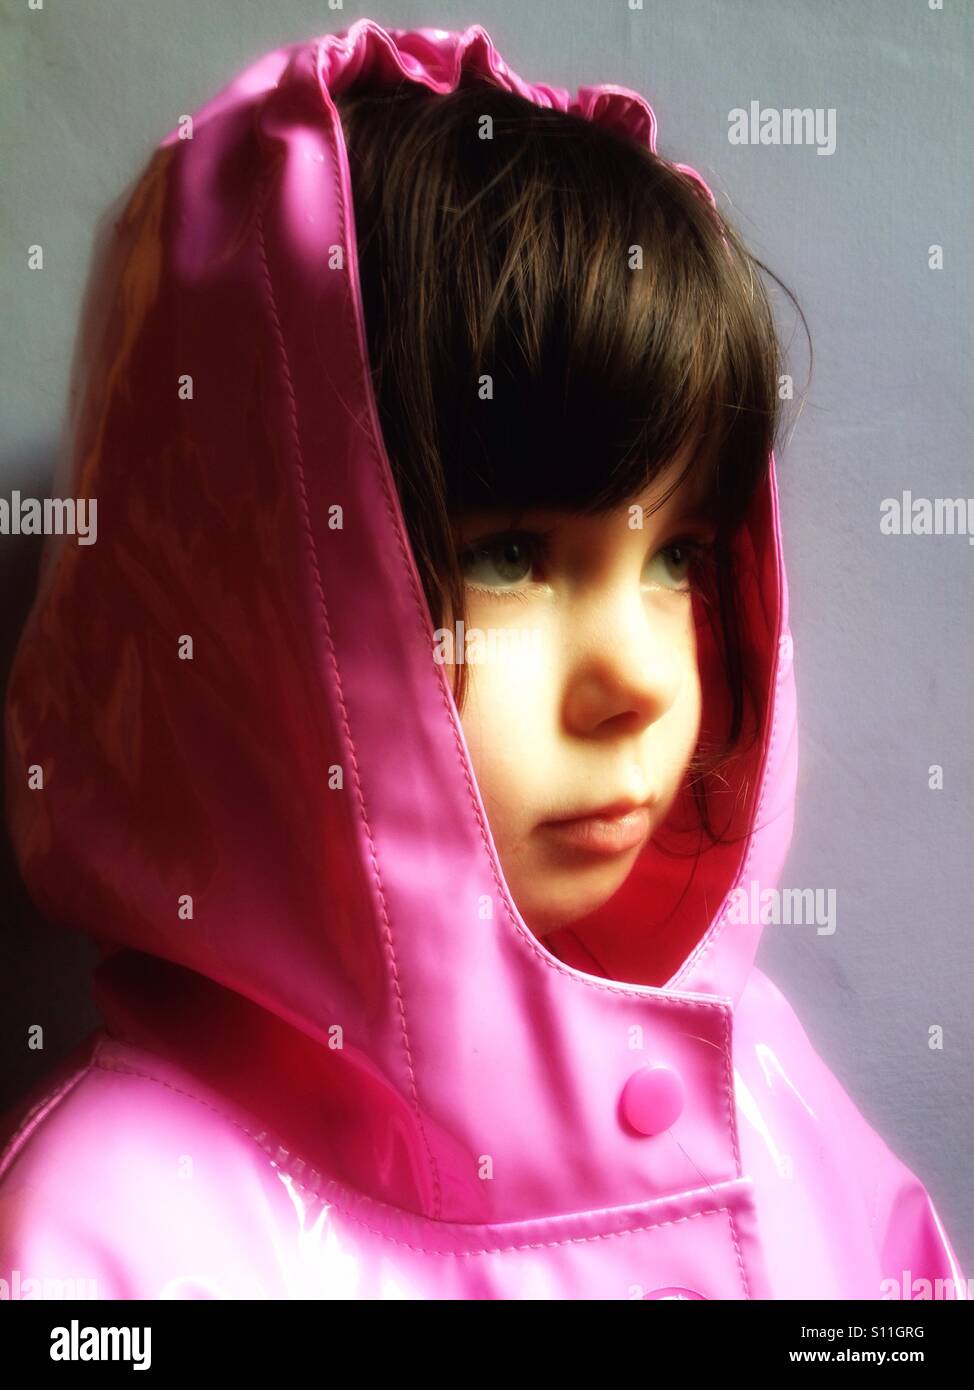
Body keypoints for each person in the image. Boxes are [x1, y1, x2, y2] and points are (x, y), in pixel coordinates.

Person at [0, 18, 965, 1300]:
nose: (639, 683)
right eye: (508, 555)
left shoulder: (758, 1079)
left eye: (677, 556)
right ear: (251, 617)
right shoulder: (114, 1239)